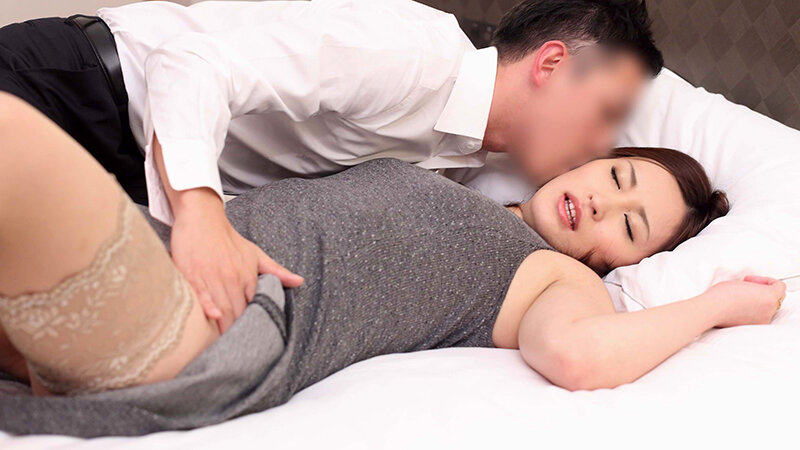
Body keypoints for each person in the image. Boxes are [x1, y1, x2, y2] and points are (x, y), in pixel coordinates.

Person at [0, 93, 786, 436]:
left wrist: (714, 307)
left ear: (628, 263)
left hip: (214, 328)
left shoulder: (562, 279)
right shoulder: (465, 185)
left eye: (631, 226)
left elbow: (578, 356)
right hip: (169, 257)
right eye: (617, 177)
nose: (603, 204)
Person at [0, 0, 665, 334]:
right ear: (552, 65)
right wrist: (201, 216)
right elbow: (190, 64)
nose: (599, 144)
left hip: (130, 177)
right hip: (80, 89)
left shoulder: (463, 164)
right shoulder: (412, 53)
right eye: (605, 113)